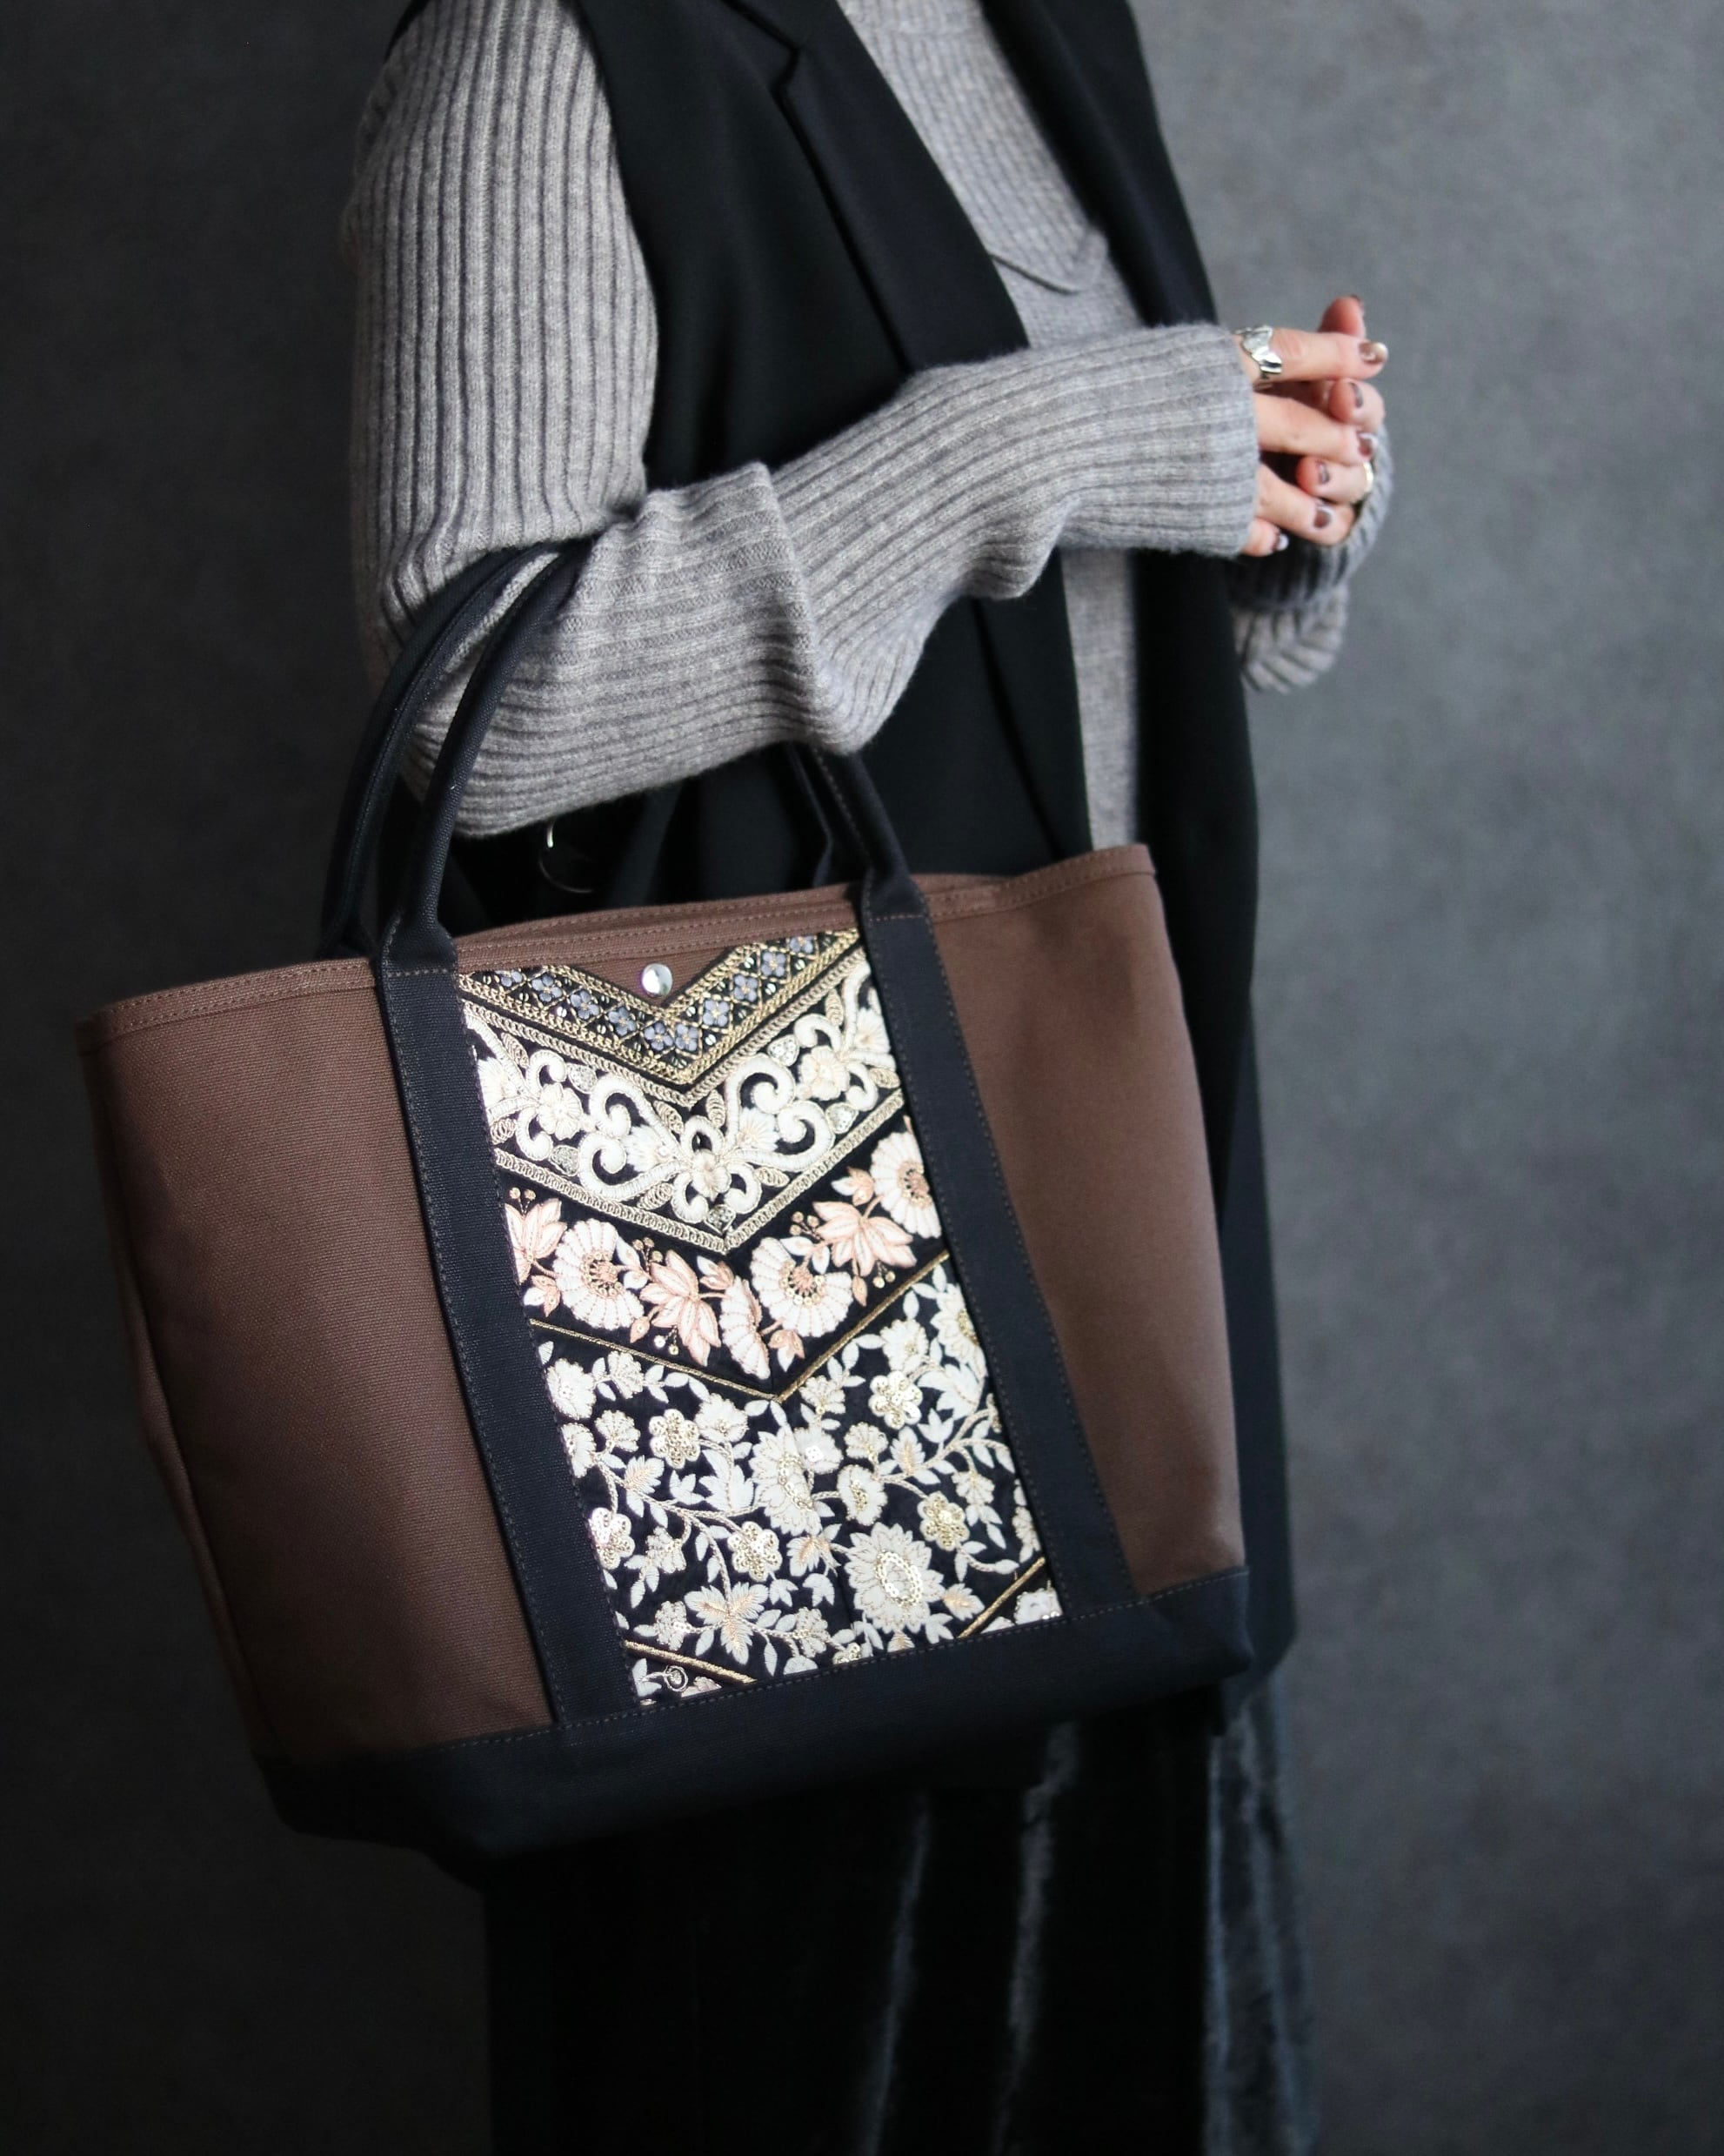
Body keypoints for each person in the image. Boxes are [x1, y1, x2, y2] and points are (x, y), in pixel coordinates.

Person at [344, 1, 1393, 2148]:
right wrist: (1027, 444)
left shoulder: (1046, 22)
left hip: (1130, 1284)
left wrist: (1269, 488)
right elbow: (474, 697)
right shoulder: (545, 43)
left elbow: (1066, 649)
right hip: (786, 1335)